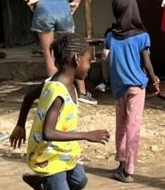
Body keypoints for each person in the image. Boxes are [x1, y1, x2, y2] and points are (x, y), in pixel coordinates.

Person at [15, 33, 110, 190]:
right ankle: (46, 181)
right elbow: (48, 133)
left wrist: (20, 125)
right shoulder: (57, 91)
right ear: (76, 59)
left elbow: (28, 98)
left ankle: (40, 182)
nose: (90, 66)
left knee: (79, 181)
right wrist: (87, 135)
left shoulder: (64, 83)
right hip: (49, 154)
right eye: (88, 61)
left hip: (65, 149)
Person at [104, 0, 161, 183]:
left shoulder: (111, 37)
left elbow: (105, 59)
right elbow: (147, 62)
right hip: (136, 87)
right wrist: (154, 79)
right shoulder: (142, 36)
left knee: (120, 126)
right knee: (133, 128)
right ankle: (129, 170)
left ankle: (121, 163)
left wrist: (106, 80)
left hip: (118, 88)